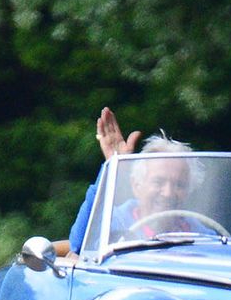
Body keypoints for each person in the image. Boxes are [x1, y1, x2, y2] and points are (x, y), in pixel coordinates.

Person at [66, 107, 198, 251]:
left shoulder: (200, 232)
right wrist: (113, 168)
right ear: (137, 186)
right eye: (158, 182)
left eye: (179, 185)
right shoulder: (115, 220)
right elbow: (78, 245)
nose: (168, 193)